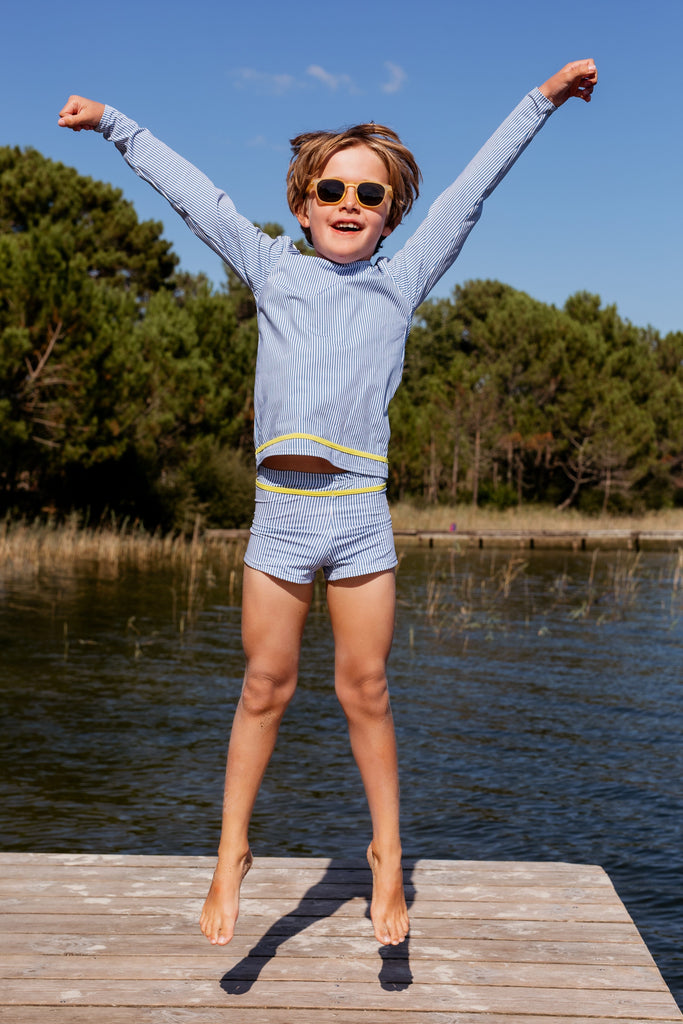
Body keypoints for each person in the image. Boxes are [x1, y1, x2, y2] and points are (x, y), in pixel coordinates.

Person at [58, 59, 597, 948]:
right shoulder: (271, 267)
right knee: (264, 686)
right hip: (278, 512)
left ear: (392, 213)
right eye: (332, 188)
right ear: (304, 203)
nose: (350, 203)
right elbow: (197, 198)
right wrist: (115, 123)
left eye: (370, 194)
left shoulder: (404, 276)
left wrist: (538, 102)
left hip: (357, 515)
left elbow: (470, 190)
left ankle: (388, 855)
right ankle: (231, 850)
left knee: (367, 691)